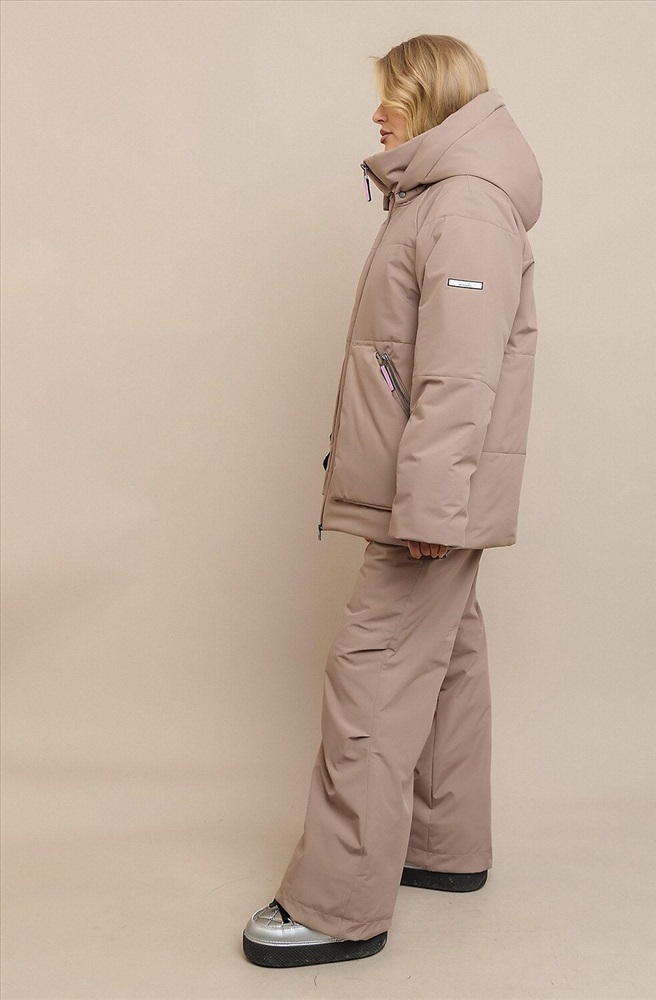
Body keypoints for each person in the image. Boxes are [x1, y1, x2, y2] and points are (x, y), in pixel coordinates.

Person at [243, 33, 542, 969]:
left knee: (372, 673)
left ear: (434, 99)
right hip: (428, 492)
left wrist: (430, 510)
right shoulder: (440, 199)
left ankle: (338, 907)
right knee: (445, 662)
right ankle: (442, 847)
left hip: (430, 499)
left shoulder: (466, 209)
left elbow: (459, 376)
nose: (378, 115)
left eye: (394, 98)